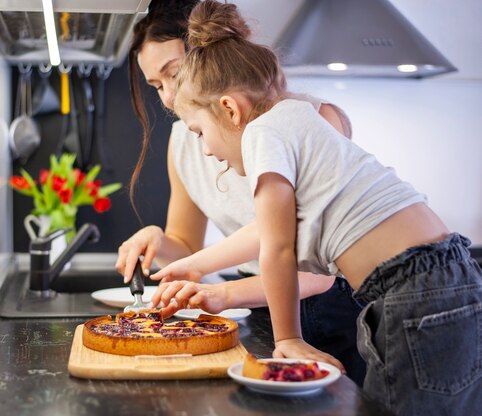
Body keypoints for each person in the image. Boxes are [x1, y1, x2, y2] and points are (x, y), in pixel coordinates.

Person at [149, 1, 482, 414]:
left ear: (230, 109)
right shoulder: (298, 117)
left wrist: (288, 338)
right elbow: (275, 230)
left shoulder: (261, 135)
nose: (205, 149)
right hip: (449, 275)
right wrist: (195, 263)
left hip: (411, 292)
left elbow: (277, 249)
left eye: (199, 132)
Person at [116, 0, 366, 385]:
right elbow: (187, 245)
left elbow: (312, 269)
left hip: (327, 309)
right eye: (156, 85)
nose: (167, 97)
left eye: (173, 74)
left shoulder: (300, 121)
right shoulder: (185, 140)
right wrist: (159, 241)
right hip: (261, 308)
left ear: (207, 54)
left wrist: (225, 294)